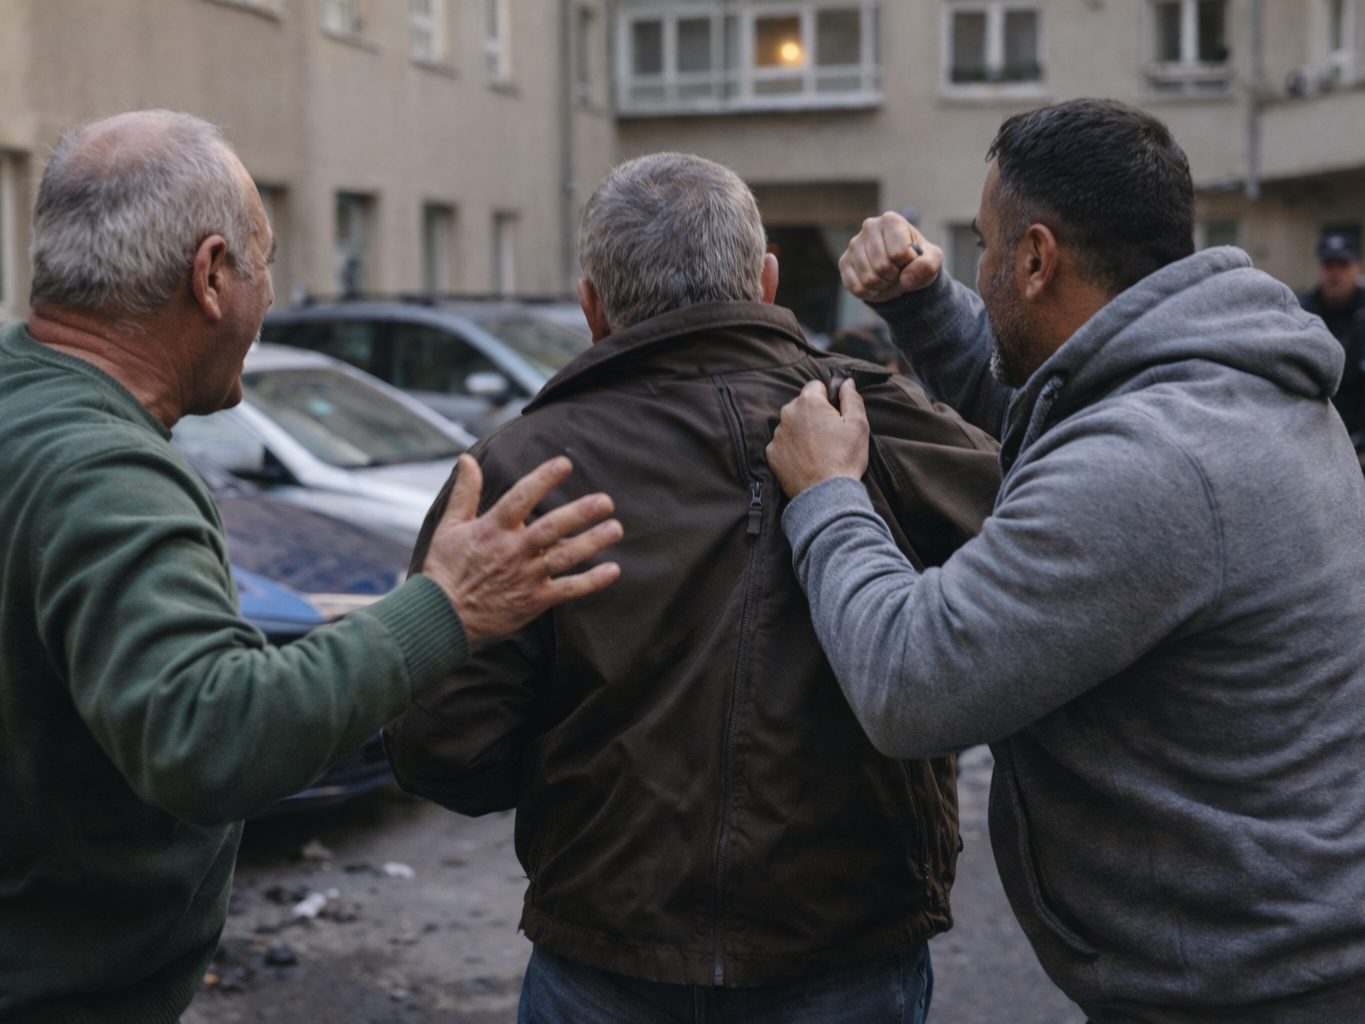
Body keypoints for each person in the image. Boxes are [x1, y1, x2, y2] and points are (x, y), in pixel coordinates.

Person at [0, 110, 623, 1023]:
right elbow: (210, 738)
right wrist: (446, 608)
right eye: (266, 261)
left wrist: (311, 627)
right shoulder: (107, 473)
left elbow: (67, 651)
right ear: (211, 275)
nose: (268, 299)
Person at [765, 98, 1365, 1023]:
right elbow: (1053, 420)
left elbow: (910, 681)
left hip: (1247, 992)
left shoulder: (1155, 462)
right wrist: (925, 306)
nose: (980, 267)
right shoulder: (1214, 385)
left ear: (1037, 258)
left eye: (987, 248)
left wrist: (826, 496)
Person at [384, 152, 1002, 1024]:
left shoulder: (516, 472)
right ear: (765, 280)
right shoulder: (880, 420)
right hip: (848, 939)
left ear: (590, 306)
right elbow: (1040, 609)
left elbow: (446, 749)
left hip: (606, 948)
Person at [1298, 232, 1365, 446]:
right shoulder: (1300, 313)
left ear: (1357, 268)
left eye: (1343, 265)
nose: (1335, 273)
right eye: (1329, 265)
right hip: (1311, 440)